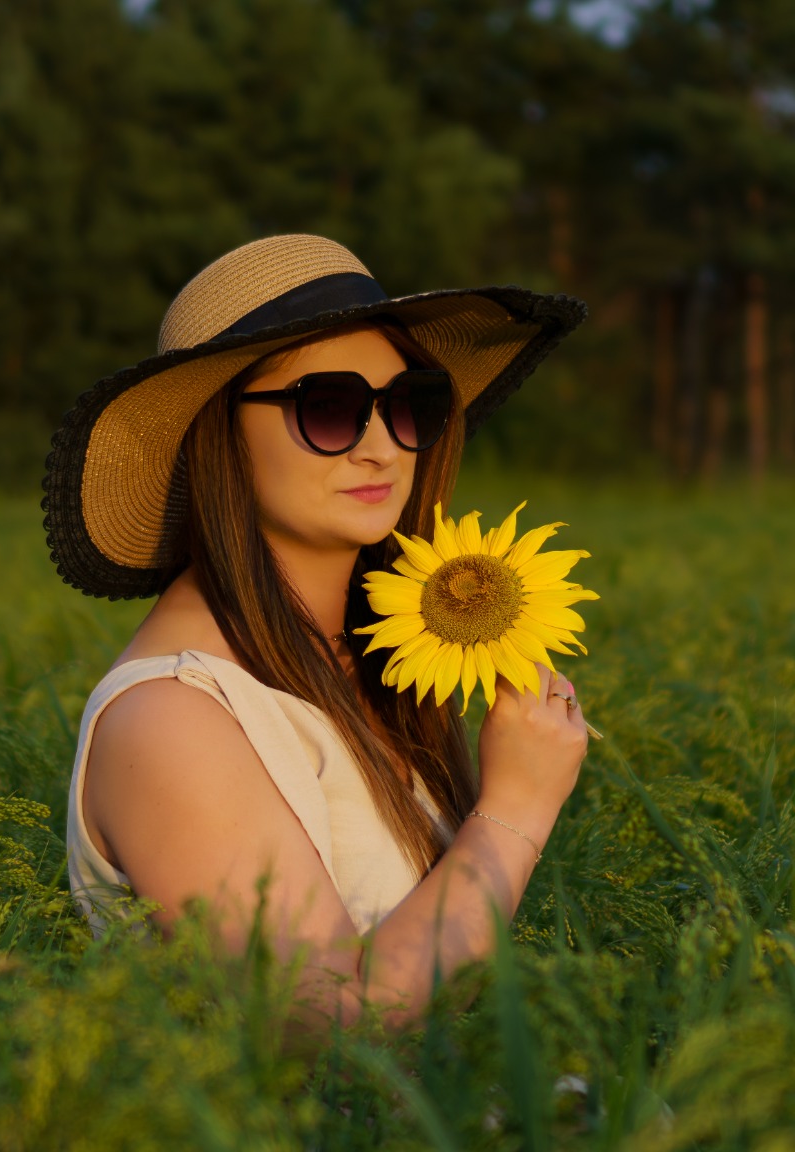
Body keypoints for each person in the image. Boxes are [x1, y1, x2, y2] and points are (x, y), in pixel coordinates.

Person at [40, 233, 591, 1039]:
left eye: (410, 404)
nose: (382, 445)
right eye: (328, 407)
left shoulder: (377, 660)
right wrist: (515, 809)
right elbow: (332, 1035)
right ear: (215, 432)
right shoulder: (172, 719)